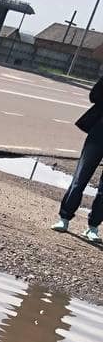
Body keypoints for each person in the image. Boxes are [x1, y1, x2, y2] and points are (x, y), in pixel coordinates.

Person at [51, 76, 103, 243]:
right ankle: (64, 218)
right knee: (80, 178)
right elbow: (94, 96)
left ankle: (93, 227)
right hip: (99, 134)